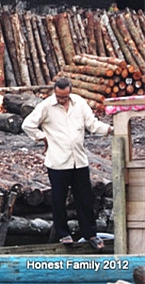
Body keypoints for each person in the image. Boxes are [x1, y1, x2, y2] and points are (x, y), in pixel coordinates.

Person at [21, 77, 112, 250]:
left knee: (85, 197)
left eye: (64, 97)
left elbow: (92, 124)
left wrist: (108, 129)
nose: (61, 100)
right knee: (59, 199)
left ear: (70, 92)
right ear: (55, 92)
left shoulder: (79, 103)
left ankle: (90, 233)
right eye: (59, 96)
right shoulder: (46, 106)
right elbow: (28, 124)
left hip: (79, 160)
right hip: (58, 161)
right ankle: (64, 233)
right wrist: (42, 137)